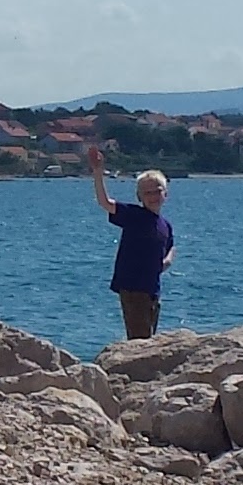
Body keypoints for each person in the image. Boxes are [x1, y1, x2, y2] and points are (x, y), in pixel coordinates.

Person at [84, 141, 172, 339]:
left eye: (157, 191)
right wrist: (98, 172)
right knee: (140, 338)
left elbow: (166, 253)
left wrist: (168, 260)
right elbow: (105, 203)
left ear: (165, 193)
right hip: (132, 288)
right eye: (147, 193)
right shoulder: (134, 215)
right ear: (139, 197)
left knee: (148, 337)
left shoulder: (165, 226)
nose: (153, 196)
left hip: (152, 290)